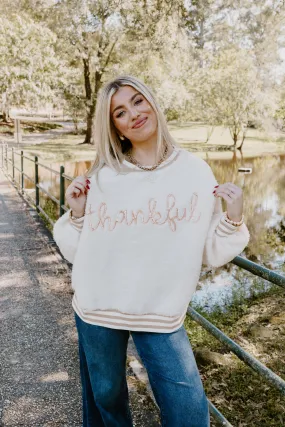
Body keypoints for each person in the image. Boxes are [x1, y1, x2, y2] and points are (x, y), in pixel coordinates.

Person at [53, 75, 250, 427]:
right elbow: (76, 250)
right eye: (120, 112)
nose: (134, 114)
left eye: (138, 101)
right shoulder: (103, 176)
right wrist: (78, 213)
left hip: (160, 313)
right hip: (98, 308)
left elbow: (207, 249)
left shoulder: (195, 172)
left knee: (188, 410)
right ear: (115, 128)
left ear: (152, 102)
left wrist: (233, 220)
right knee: (106, 397)